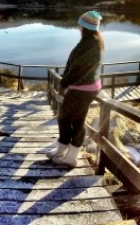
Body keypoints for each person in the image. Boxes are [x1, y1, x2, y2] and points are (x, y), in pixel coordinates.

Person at [47, 10, 104, 167]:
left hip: (83, 88)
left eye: (80, 24)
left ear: (84, 26)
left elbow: (78, 69)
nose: (78, 26)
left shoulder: (89, 44)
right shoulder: (91, 41)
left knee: (72, 120)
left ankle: (71, 157)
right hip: (85, 87)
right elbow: (76, 66)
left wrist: (64, 83)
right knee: (66, 118)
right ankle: (62, 150)